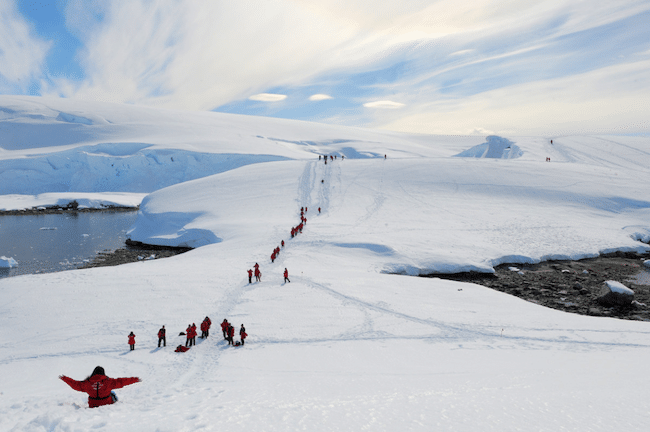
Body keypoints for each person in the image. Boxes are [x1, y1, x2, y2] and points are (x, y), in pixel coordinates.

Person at [60, 366, 140, 408]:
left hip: (93, 405)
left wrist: (65, 378)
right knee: (112, 393)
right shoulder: (108, 381)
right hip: (107, 404)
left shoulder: (87, 383)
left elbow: (75, 385)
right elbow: (122, 381)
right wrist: (135, 379)